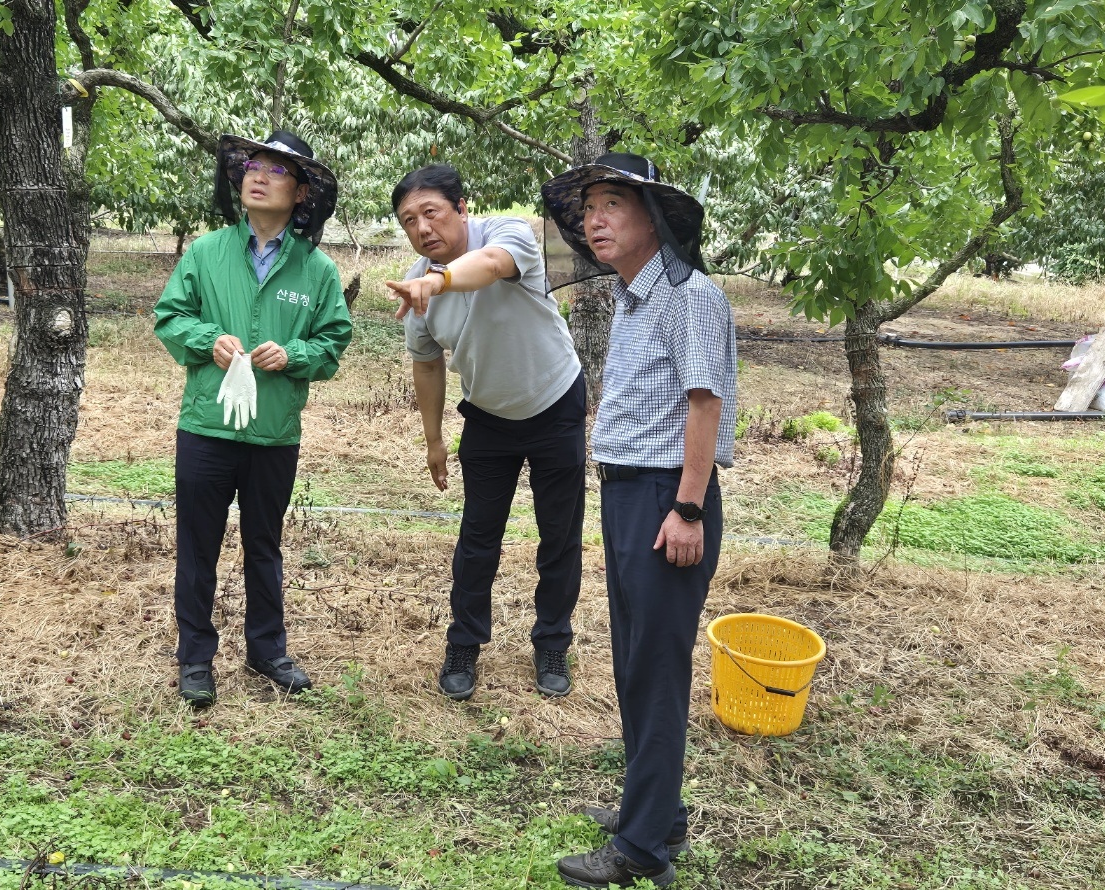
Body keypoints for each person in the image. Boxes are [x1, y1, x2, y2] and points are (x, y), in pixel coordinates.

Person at [541, 153, 737, 888]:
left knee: (653, 670)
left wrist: (686, 508)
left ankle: (641, 850)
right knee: (633, 661)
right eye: (588, 206)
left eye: (611, 204)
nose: (594, 219)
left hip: (665, 499)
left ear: (650, 217)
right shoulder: (633, 297)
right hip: (629, 492)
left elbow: (703, 404)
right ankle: (656, 812)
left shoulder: (687, 295)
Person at [154, 131, 352, 706]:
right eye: (252, 165)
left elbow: (334, 341)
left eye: (276, 170)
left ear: (301, 193)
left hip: (274, 432)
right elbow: (170, 317)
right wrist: (207, 339)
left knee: (264, 543)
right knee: (198, 545)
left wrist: (296, 355)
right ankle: (195, 657)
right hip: (206, 428)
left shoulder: (316, 271)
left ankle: (267, 650)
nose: (257, 175)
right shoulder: (207, 253)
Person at [385, 165, 586, 701]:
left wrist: (440, 280)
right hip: (488, 416)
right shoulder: (416, 284)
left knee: (559, 537)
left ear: (462, 207)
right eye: (410, 220)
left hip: (554, 400)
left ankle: (551, 643)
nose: (423, 228)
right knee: (478, 538)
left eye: (432, 212)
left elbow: (493, 266)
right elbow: (426, 364)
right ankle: (465, 645)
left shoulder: (509, 234)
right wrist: (433, 440)